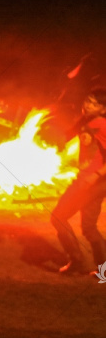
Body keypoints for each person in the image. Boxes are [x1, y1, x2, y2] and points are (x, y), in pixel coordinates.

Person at [49, 88, 106, 275]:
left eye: (94, 103)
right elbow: (71, 135)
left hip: (92, 182)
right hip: (91, 181)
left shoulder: (102, 124)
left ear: (103, 109)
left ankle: (77, 261)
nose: (87, 105)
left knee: (58, 216)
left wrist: (95, 175)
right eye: (87, 100)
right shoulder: (88, 121)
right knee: (89, 228)